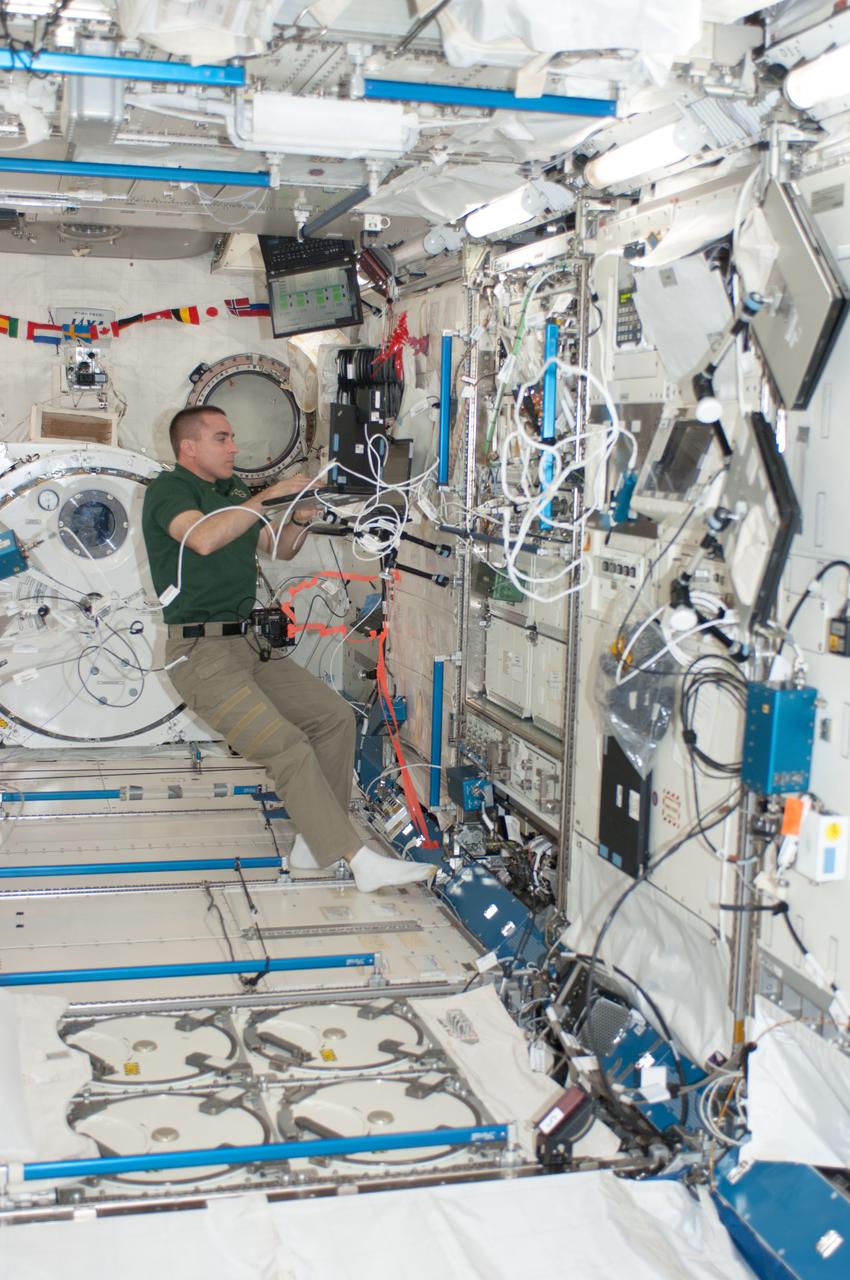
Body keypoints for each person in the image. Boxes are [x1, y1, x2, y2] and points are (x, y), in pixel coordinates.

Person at [142, 405, 435, 893]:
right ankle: (358, 860)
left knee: (335, 719)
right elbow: (205, 538)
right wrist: (267, 497)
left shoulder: (231, 491)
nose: (234, 447)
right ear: (188, 446)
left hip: (247, 644)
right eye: (222, 438)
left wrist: (300, 516)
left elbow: (277, 548)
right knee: (286, 746)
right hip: (201, 656)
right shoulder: (170, 489)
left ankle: (313, 844)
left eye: (232, 436)